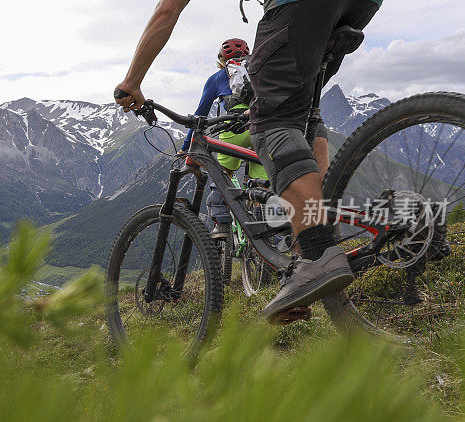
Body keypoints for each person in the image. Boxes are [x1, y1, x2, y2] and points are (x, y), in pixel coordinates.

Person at [114, 0, 380, 323]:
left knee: (270, 123)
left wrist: (131, 81)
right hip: (362, 5)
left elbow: (167, 10)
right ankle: (304, 266)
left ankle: (313, 253)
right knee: (301, 118)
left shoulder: (217, 78)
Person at [180, 38, 269, 240]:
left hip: (233, 128)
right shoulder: (259, 73)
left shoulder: (217, 78)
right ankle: (266, 230)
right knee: (260, 184)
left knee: (223, 175)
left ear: (221, 59)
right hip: (259, 126)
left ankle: (221, 224)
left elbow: (199, 116)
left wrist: (186, 146)